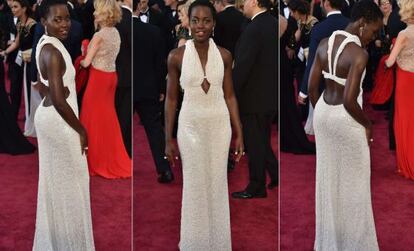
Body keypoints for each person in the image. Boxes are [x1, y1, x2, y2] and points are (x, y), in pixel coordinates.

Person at [164, 0, 244, 249]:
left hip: (220, 127)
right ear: (188, 22)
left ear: (214, 24)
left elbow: (230, 96)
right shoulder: (176, 56)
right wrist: (168, 138)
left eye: (206, 20)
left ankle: (218, 242)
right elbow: (171, 99)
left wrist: (239, 133)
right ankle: (194, 242)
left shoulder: (224, 55)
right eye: (195, 20)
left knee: (217, 182)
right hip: (189, 128)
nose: (200, 26)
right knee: (195, 184)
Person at [308, 0, 383, 249]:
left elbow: (311, 88)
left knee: (329, 181)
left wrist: (323, 114)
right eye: (373, 31)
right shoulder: (358, 54)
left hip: (323, 116)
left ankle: (330, 242)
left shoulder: (322, 44)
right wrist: (368, 125)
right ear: (362, 24)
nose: (373, 37)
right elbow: (351, 101)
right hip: (346, 118)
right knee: (355, 186)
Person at [32, 0, 94, 248]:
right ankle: (69, 243)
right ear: (43, 22)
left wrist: (50, 89)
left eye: (66, 18)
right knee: (73, 182)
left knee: (59, 183)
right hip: (59, 122)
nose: (64, 23)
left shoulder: (46, 45)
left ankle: (61, 241)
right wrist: (81, 129)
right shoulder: (53, 51)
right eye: (57, 19)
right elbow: (59, 99)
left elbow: (40, 82)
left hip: (51, 118)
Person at [231, 0, 278, 199]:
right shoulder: (273, 23)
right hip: (269, 96)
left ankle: (256, 186)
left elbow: (242, 66)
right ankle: (275, 173)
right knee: (262, 140)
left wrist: (230, 92)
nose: (242, 4)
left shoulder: (254, 28)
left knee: (255, 143)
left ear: (254, 2)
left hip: (253, 98)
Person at [80, 0, 131, 179]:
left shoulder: (99, 36)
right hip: (112, 77)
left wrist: (82, 52)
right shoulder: (115, 33)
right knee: (108, 117)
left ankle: (95, 160)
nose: (94, 14)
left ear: (104, 14)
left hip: (98, 79)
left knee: (91, 117)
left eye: (97, 12)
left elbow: (86, 63)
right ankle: (110, 157)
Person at [133, 0, 173, 183]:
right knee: (155, 130)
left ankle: (124, 164)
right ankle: (165, 169)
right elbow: (160, 64)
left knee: (123, 128)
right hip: (148, 88)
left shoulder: (117, 29)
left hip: (124, 89)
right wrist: (160, 89)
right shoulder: (153, 31)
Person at [385, 0, 414, 180]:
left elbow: (389, 62)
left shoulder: (404, 34)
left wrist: (391, 52)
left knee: (404, 121)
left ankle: (408, 164)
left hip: (405, 81)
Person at [115, 0, 132, 157]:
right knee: (125, 118)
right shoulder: (129, 19)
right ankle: (125, 151)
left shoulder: (113, 18)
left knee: (118, 116)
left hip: (113, 74)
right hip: (130, 76)